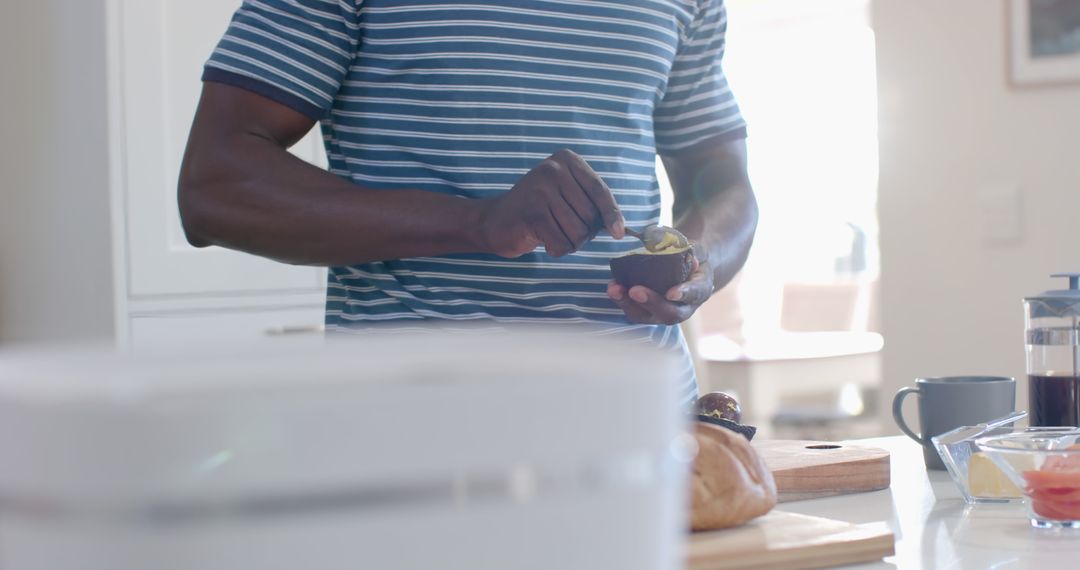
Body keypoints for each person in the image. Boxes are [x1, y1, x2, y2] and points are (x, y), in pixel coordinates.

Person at [178, 0, 757, 406]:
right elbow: (216, 184)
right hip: (419, 433)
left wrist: (698, 263)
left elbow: (725, 183)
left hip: (649, 431)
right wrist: (476, 223)